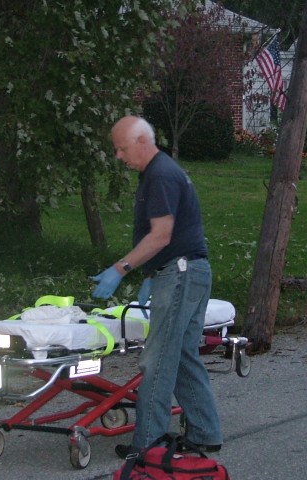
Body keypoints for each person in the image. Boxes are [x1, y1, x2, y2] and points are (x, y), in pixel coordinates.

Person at [90, 115, 222, 458]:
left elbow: (161, 235)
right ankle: (206, 433)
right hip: (190, 269)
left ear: (142, 142)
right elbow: (177, 234)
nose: (119, 157)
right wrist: (150, 275)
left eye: (121, 149)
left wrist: (120, 269)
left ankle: (148, 443)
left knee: (157, 358)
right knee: (181, 355)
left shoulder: (160, 175)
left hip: (180, 272)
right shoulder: (160, 172)